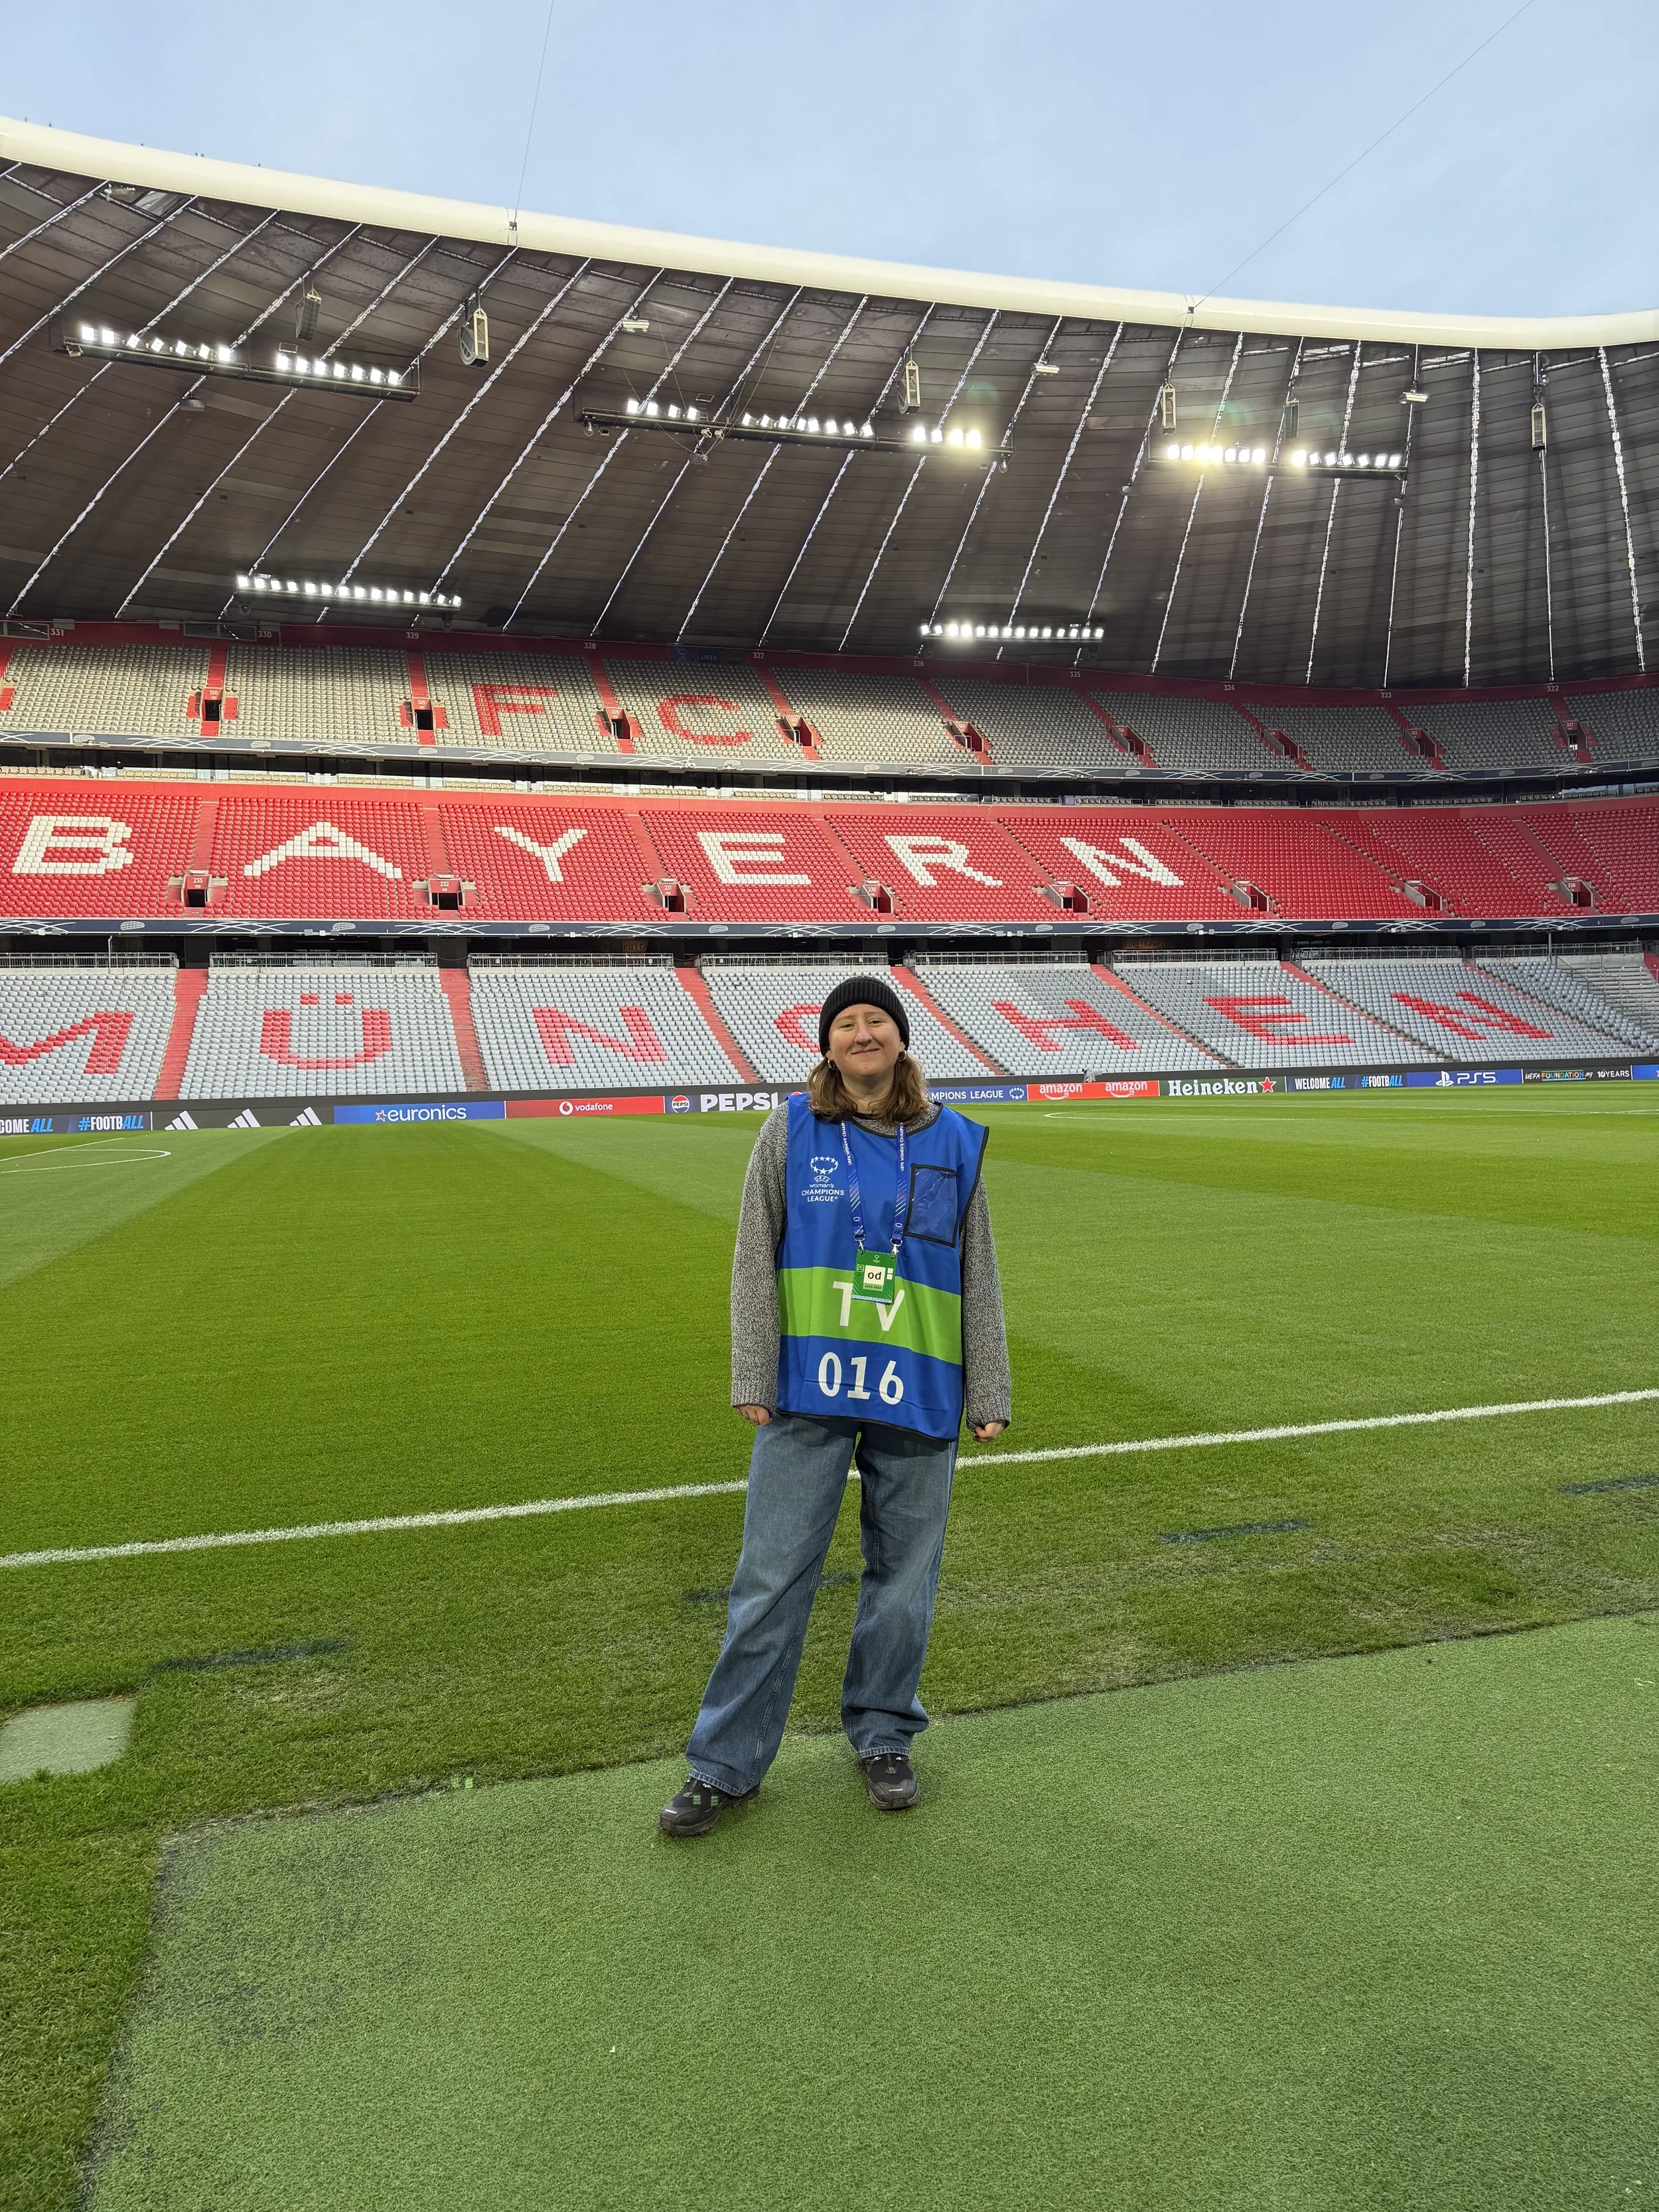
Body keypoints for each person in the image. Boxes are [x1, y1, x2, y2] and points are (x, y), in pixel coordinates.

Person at [659, 976, 1010, 1838]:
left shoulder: (953, 1141)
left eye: (876, 1020)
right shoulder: (790, 1129)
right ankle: (723, 1765)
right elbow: (753, 1253)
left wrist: (989, 1388)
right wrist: (753, 1371)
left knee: (904, 1586)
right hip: (808, 1390)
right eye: (846, 1023)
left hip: (919, 1386)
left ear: (901, 1039)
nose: (862, 1033)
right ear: (826, 1044)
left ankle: (885, 1736)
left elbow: (978, 1273)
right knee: (771, 1580)